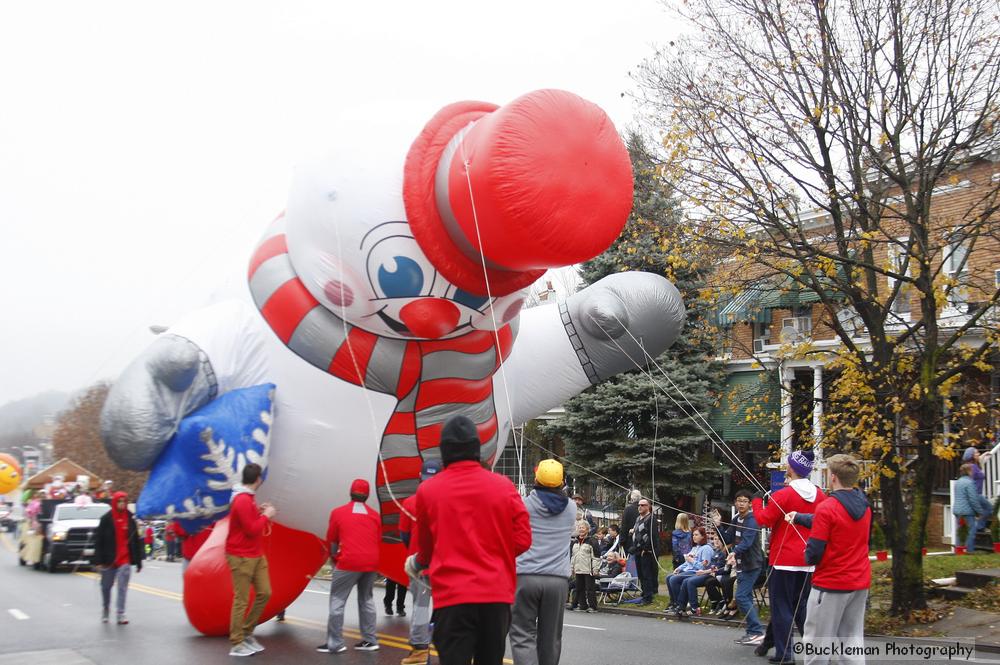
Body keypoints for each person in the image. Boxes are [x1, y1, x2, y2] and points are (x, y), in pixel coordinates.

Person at [406, 415, 531, 665]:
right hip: (495, 595)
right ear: (476, 447)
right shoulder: (504, 486)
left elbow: (426, 548)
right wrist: (496, 553)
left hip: (453, 597)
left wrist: (417, 564)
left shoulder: (428, 491)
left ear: (445, 450)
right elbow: (524, 539)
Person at [787, 454, 872, 665]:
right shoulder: (864, 505)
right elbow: (834, 521)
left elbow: (814, 552)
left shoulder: (827, 508)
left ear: (832, 477)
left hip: (831, 584)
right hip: (859, 582)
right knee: (851, 642)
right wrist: (798, 517)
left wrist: (806, 553)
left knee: (817, 644)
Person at [751, 450, 827, 664]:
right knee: (801, 607)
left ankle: (785, 654)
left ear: (792, 469)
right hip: (808, 560)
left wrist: (757, 501)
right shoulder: (820, 495)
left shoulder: (783, 495)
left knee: (781, 606)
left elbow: (764, 520)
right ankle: (813, 650)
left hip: (784, 559)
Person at [509, 459, 577, 665]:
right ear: (562, 482)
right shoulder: (572, 508)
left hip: (525, 575)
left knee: (522, 634)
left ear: (536, 479)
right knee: (551, 637)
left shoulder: (523, 504)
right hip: (557, 580)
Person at [317, 478, 381, 654]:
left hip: (348, 561)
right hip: (371, 562)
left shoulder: (338, 513)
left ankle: (335, 643)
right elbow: (376, 538)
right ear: (367, 495)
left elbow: (332, 539)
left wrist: (333, 557)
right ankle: (370, 640)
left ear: (350, 493)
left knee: (338, 600)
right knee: (367, 599)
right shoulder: (375, 515)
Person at [225, 463, 276, 657]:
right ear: (258, 480)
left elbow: (248, 523)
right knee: (242, 600)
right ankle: (237, 642)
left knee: (265, 592)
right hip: (241, 556)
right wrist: (267, 515)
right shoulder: (242, 500)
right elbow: (251, 529)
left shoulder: (246, 498)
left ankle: (246, 632)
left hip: (253, 553)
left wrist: (260, 513)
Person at [398, 459, 442, 665]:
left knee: (420, 608)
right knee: (445, 608)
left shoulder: (410, 503)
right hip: (444, 564)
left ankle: (419, 650)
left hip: (420, 565)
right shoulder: (447, 501)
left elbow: (404, 535)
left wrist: (414, 552)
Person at [94, 491, 143, 625]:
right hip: (108, 559)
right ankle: (105, 608)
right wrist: (98, 561)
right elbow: (98, 541)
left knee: (122, 587)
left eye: (124, 501)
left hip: (124, 559)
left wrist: (138, 562)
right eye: (119, 501)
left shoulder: (130, 518)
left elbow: (136, 541)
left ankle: (121, 613)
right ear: (115, 503)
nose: (122, 504)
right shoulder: (106, 519)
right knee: (106, 587)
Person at [725, 489, 766, 642]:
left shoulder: (752, 519)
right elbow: (727, 536)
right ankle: (752, 632)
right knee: (746, 597)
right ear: (735, 503)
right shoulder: (736, 519)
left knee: (741, 597)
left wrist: (734, 552)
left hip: (752, 564)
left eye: (744, 501)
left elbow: (747, 542)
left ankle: (756, 630)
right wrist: (717, 524)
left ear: (750, 504)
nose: (741, 503)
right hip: (741, 565)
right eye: (739, 501)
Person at [664, 526, 712, 616]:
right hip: (689, 570)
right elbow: (687, 563)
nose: (694, 537)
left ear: (703, 536)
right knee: (668, 577)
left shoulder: (706, 548)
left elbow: (703, 566)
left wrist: (692, 561)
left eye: (696, 535)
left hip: (698, 572)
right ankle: (674, 602)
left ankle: (680, 604)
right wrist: (679, 568)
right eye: (693, 535)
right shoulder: (695, 548)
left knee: (674, 579)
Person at [953, 462, 993, 553]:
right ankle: (969, 551)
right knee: (971, 531)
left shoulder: (958, 482)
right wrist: (979, 512)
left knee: (960, 531)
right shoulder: (970, 483)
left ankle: (959, 550)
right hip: (967, 511)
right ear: (969, 471)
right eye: (972, 470)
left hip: (957, 510)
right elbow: (973, 499)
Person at [630, 497, 659, 605]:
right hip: (637, 549)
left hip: (645, 551)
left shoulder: (651, 519)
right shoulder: (638, 518)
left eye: (643, 505)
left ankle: (648, 597)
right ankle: (644, 593)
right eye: (639, 505)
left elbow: (653, 536)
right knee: (641, 574)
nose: (640, 507)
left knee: (647, 574)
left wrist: (646, 549)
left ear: (648, 507)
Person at [568, 521, 601, 613]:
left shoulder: (592, 541)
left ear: (587, 529)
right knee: (579, 588)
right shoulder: (574, 542)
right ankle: (583, 605)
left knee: (590, 588)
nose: (581, 529)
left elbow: (596, 556)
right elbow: (573, 556)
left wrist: (595, 569)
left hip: (588, 569)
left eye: (583, 527)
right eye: (579, 527)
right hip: (578, 568)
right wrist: (572, 568)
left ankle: (593, 606)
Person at [620, 489, 641, 554]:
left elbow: (624, 526)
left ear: (631, 498)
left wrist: (622, 541)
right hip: (641, 540)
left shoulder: (628, 509)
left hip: (629, 540)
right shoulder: (645, 509)